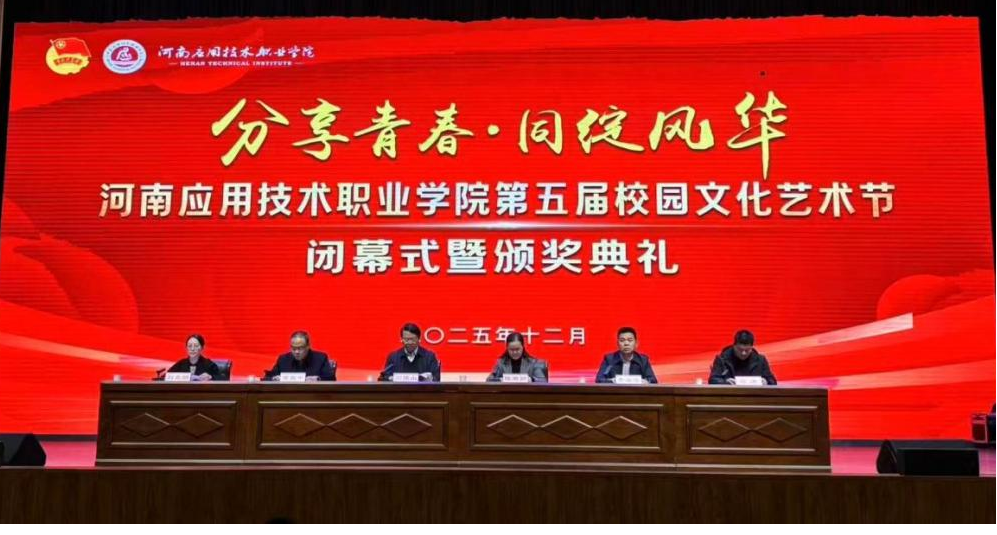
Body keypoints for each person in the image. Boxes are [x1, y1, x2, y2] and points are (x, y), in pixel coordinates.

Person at [708, 330, 777, 385]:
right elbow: (713, 380)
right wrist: (725, 382)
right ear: (734, 346)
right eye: (740, 350)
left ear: (752, 348)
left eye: (747, 350)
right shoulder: (722, 359)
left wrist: (766, 381)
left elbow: (772, 381)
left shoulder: (760, 360)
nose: (743, 353)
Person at [265, 331, 336, 381]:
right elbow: (268, 378)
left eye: (300, 348)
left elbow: (331, 380)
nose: (296, 352)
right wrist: (274, 379)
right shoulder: (283, 360)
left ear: (308, 346)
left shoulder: (321, 358)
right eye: (293, 348)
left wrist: (318, 379)